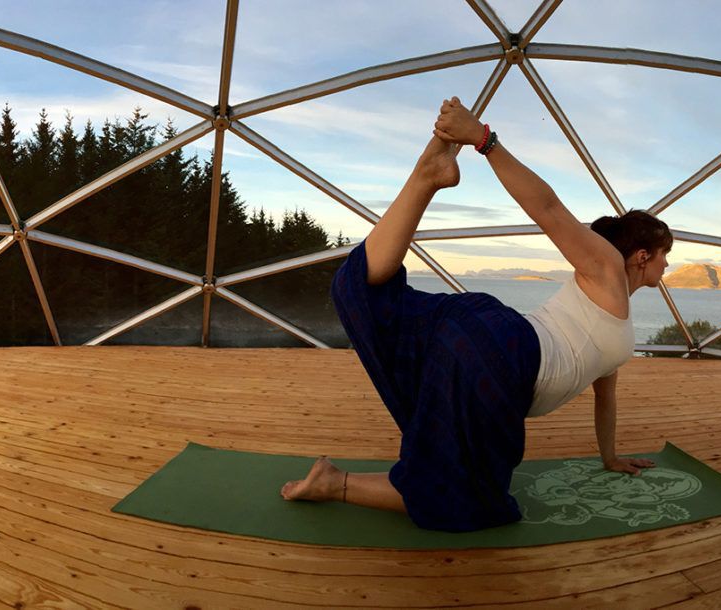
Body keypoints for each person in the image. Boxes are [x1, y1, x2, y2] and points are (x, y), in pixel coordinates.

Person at [281, 97, 674, 532]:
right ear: (641, 255)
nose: (667, 265)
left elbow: (606, 396)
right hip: (505, 356)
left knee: (363, 294)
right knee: (471, 499)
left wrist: (609, 457)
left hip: (484, 335)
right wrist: (484, 140)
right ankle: (338, 485)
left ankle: (425, 178)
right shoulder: (607, 270)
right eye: (664, 255)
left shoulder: (611, 315)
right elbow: (547, 209)